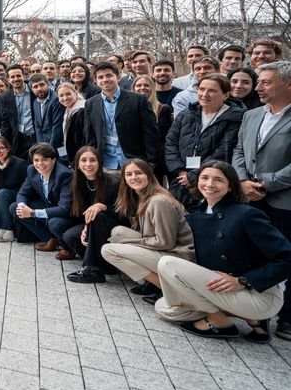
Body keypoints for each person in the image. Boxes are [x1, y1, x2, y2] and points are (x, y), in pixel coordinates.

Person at [154, 161, 291, 342]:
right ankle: (251, 319)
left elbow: (287, 257)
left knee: (167, 263)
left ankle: (219, 322)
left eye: (218, 180)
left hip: (258, 293)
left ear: (229, 187)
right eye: (205, 178)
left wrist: (243, 281)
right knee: (163, 307)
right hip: (224, 289)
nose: (210, 184)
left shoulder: (246, 214)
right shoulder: (198, 215)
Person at [232, 61, 291, 339]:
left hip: (283, 202)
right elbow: (239, 150)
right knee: (249, 255)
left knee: (283, 257)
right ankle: (257, 315)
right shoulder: (253, 115)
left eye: (265, 82)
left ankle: (287, 316)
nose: (258, 87)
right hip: (249, 198)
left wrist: (266, 183)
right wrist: (242, 181)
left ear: (288, 84)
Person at [101, 159, 195, 303]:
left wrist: (128, 243)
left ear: (149, 175)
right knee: (118, 231)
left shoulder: (159, 201)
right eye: (129, 174)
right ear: (124, 179)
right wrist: (125, 241)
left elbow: (165, 242)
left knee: (108, 250)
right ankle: (151, 284)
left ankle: (169, 288)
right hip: (165, 250)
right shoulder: (143, 196)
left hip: (177, 255)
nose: (134, 177)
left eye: (139, 173)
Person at [164, 74, 243, 206]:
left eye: (212, 90)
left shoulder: (235, 117)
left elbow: (225, 150)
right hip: (181, 178)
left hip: (214, 181)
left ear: (225, 95)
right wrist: (180, 171)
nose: (205, 94)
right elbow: (170, 142)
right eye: (201, 89)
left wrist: (195, 175)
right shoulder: (187, 113)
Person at [0, 143, 72, 248]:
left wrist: (33, 213)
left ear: (53, 160)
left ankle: (67, 248)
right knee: (15, 208)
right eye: (36, 160)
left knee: (54, 223)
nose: (40, 163)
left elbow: (65, 209)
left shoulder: (64, 175)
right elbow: (23, 192)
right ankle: (51, 239)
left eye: (44, 159)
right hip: (48, 205)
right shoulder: (32, 169)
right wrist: (22, 206)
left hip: (65, 213)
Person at [62, 148, 125, 281]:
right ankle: (106, 264)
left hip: (116, 223)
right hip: (95, 224)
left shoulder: (113, 182)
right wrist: (86, 227)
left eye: (92, 160)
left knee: (98, 216)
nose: (88, 164)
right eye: (83, 160)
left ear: (99, 163)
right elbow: (83, 213)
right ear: (77, 165)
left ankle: (93, 270)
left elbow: (124, 214)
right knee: (70, 236)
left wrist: (103, 207)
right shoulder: (78, 183)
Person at [83, 61, 158, 170]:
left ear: (118, 77)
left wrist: (151, 161)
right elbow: (90, 135)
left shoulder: (138, 100)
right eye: (100, 77)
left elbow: (150, 132)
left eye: (109, 75)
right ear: (96, 81)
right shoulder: (91, 103)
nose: (105, 79)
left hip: (134, 161)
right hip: (105, 162)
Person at [0, 137, 29, 239]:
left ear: (8, 149)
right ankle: (1, 228)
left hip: (22, 196)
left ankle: (7, 230)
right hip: (6, 197)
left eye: (1, 148)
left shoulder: (20, 164)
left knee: (3, 193)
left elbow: (29, 188)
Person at [30, 74, 64, 149]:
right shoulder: (36, 102)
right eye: (35, 87)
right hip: (44, 145)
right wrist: (41, 146)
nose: (39, 89)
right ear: (32, 89)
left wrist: (49, 149)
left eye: (42, 85)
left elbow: (57, 128)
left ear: (48, 84)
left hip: (57, 145)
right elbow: (37, 126)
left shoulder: (56, 99)